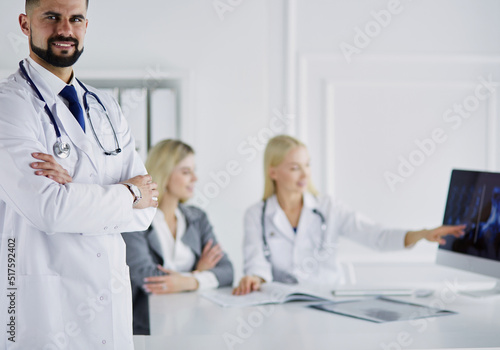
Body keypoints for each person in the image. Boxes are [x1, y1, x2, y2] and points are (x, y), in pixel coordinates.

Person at [0, 0, 159, 349]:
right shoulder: (9, 104)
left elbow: (149, 209)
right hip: (44, 307)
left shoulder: (107, 107)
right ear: (26, 24)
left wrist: (77, 193)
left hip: (110, 305)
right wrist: (127, 194)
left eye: (76, 19)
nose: (65, 30)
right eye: (52, 18)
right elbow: (50, 210)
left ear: (87, 25)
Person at [233, 135, 465, 295]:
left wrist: (423, 234)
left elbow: (377, 236)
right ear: (273, 172)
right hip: (281, 304)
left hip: (326, 300)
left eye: (308, 164)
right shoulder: (256, 215)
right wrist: (255, 279)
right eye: (294, 167)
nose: (305, 173)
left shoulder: (329, 208)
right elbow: (257, 263)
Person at [122, 139, 234, 335]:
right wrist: (199, 272)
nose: (195, 178)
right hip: (148, 324)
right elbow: (147, 278)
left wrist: (191, 281)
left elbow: (227, 271)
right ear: (165, 174)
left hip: (194, 321)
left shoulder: (197, 218)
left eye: (193, 170)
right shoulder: (137, 219)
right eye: (186, 172)